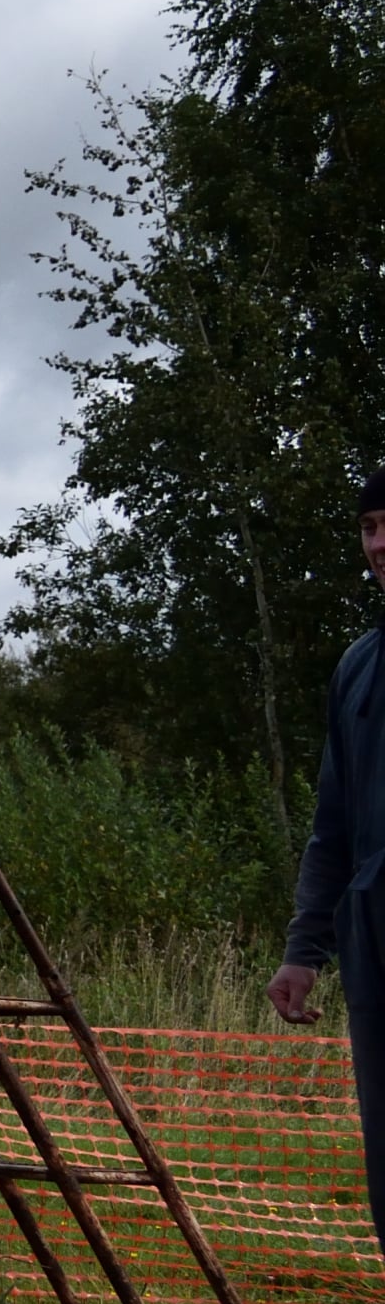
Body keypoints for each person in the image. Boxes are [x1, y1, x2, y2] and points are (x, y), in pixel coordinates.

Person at [269, 466, 385, 1250]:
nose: (379, 544)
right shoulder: (359, 667)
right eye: (370, 527)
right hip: (376, 938)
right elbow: (333, 826)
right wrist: (303, 951)